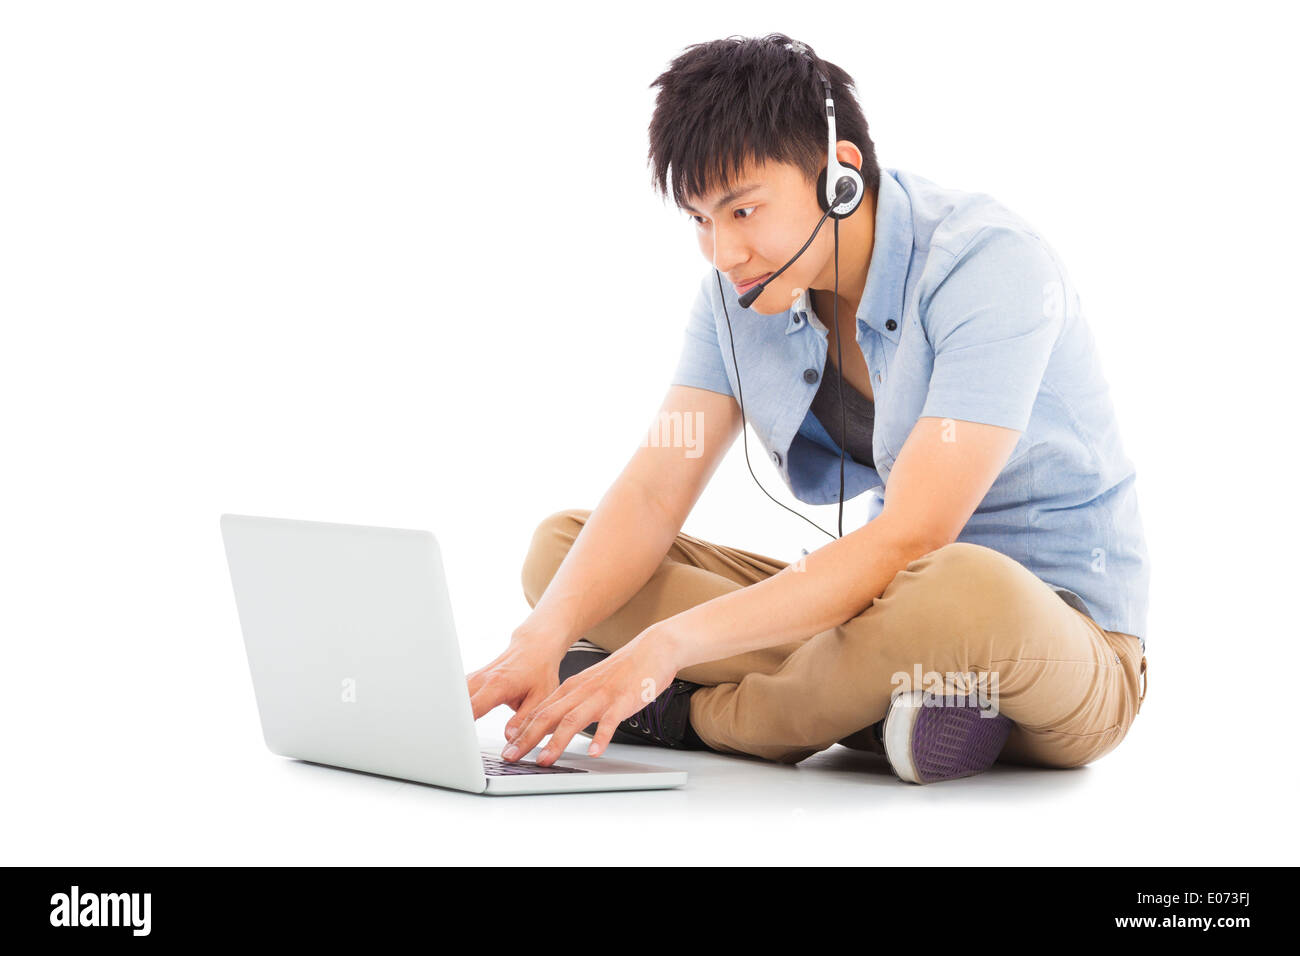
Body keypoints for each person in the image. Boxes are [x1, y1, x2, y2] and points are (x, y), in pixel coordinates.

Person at [466, 33, 1149, 784]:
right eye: (699, 220)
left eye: (744, 210)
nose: (722, 253)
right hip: (882, 615)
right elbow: (652, 491)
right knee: (562, 551)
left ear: (840, 178)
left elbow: (914, 538)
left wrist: (666, 651)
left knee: (960, 587)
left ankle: (689, 714)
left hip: (1060, 643)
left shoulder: (988, 265)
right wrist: (539, 637)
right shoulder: (734, 299)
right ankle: (893, 708)